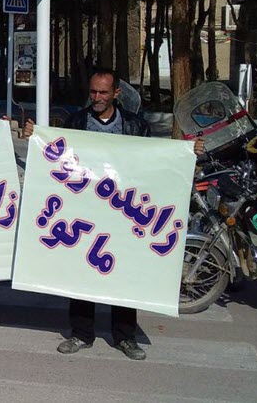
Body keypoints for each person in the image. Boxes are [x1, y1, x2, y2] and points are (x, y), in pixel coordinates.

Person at [23, 68, 153, 360]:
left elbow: (153, 162)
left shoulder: (136, 126)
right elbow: (57, 156)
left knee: (122, 273)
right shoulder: (76, 122)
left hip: (121, 211)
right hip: (84, 211)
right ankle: (81, 333)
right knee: (82, 273)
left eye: (103, 92)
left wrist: (190, 151)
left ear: (116, 93)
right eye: (93, 91)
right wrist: (36, 137)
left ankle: (125, 337)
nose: (97, 97)